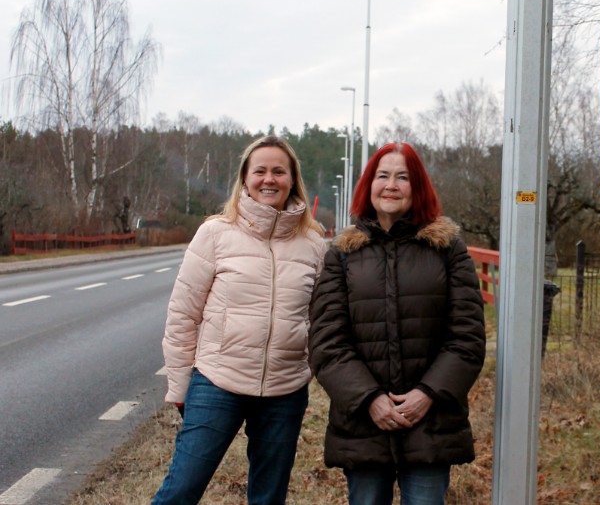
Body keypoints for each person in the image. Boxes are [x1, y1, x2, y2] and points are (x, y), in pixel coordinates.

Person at [308, 142, 486, 505]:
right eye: (382, 176)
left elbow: (466, 337)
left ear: (417, 186)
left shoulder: (447, 249)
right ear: (368, 186)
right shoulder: (342, 255)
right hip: (362, 424)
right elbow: (327, 342)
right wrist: (370, 399)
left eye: (402, 177)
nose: (391, 184)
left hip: (431, 424)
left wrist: (427, 395)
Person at [152, 135, 326, 505]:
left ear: (292, 179)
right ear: (245, 179)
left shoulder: (314, 242)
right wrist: (181, 387)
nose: (269, 179)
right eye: (259, 170)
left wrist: (308, 369)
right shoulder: (215, 233)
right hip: (218, 384)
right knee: (180, 491)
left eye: (279, 171)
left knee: (268, 499)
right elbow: (183, 315)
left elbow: (321, 318)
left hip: (285, 390)